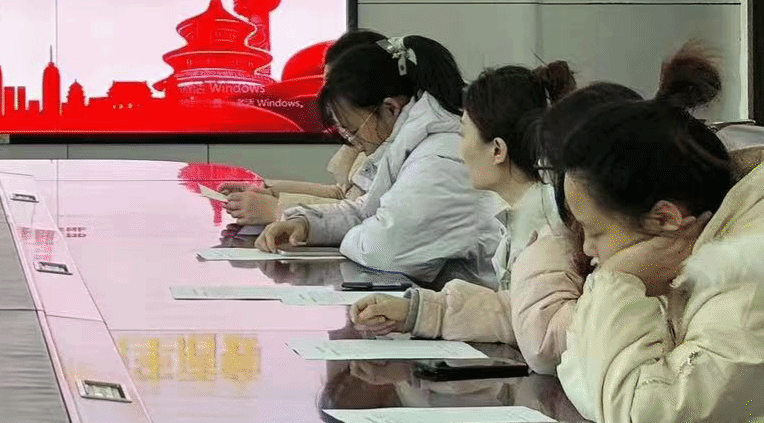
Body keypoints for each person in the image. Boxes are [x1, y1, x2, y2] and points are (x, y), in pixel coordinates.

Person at [551, 45, 764, 423]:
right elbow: (572, 369)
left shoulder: (750, 277)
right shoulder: (677, 259)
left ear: (665, 218)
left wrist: (617, 282)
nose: (587, 249)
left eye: (595, 231)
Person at [349, 63, 584, 371]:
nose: (459, 151)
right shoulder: (522, 215)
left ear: (497, 150)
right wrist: (416, 312)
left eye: (463, 134)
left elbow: (540, 340)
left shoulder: (548, 232)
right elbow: (515, 312)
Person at [258, 34, 504, 285]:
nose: (353, 141)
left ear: (390, 109)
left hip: (471, 304)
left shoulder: (440, 160)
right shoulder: (413, 146)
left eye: (353, 129)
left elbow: (386, 251)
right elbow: (368, 209)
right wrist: (308, 224)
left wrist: (355, 233)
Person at [220, 28, 386, 224]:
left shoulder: (389, 142)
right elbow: (342, 194)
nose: (324, 96)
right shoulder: (371, 131)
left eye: (332, 86)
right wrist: (266, 191)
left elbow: (363, 214)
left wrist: (277, 210)